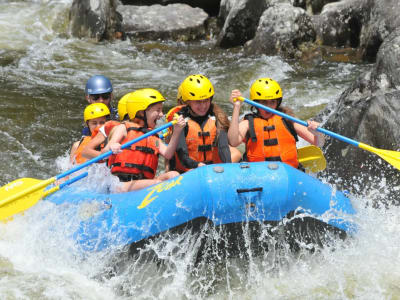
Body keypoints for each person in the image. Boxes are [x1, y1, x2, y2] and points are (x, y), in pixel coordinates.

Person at [228, 77, 325, 169]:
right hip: (258, 174)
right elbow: (233, 141)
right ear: (256, 103)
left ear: (277, 103)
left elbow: (319, 143)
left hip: (287, 172)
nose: (269, 106)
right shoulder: (248, 122)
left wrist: (317, 133)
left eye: (272, 102)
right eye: (264, 103)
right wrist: (236, 107)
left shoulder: (287, 120)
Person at [102, 88, 186, 192]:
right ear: (141, 112)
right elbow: (105, 151)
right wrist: (112, 147)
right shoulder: (124, 128)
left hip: (144, 182)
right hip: (120, 185)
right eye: (158, 110)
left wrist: (177, 131)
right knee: (158, 184)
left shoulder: (152, 135)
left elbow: (168, 154)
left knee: (174, 175)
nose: (161, 114)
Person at [167, 74, 242, 173]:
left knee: (236, 154)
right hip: (189, 171)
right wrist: (197, 165)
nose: (203, 106)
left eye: (206, 100)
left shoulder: (217, 118)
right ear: (188, 102)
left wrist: (227, 171)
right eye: (198, 102)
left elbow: (223, 148)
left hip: (213, 170)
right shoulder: (180, 121)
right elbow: (183, 156)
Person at [82, 93, 130, 160]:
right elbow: (85, 152)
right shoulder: (115, 128)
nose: (98, 126)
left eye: (102, 122)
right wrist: (106, 155)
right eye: (94, 123)